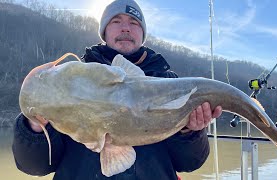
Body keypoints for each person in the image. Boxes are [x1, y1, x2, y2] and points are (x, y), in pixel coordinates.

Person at [12, 0, 223, 179]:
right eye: (116, 21)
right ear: (104, 30)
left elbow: (190, 163)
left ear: (142, 33)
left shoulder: (170, 82)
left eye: (134, 22)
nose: (125, 28)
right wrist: (35, 126)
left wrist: (190, 133)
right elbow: (35, 166)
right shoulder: (70, 82)